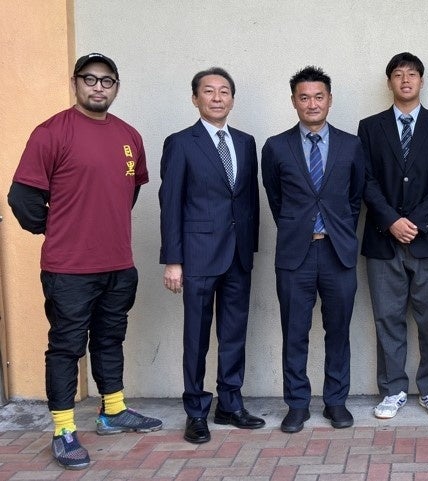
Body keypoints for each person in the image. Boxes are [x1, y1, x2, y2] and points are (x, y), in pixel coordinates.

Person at [7, 52, 162, 470]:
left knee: (110, 338)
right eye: (90, 79)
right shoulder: (51, 132)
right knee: (66, 347)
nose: (98, 87)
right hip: (69, 268)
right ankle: (63, 429)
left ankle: (113, 410)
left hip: (118, 264)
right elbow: (22, 198)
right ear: (75, 83)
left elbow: (129, 192)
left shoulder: (129, 136)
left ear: (116, 87)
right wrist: (59, 228)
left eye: (107, 80)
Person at [159, 67, 262, 444]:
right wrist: (173, 260)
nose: (217, 98)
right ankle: (196, 411)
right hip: (198, 255)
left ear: (232, 99)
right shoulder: (181, 143)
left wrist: (250, 246)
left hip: (237, 256)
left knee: (234, 333)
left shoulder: (246, 142)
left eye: (224, 92)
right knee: (197, 337)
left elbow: (249, 199)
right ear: (195, 98)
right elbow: (170, 203)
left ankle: (230, 404)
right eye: (209, 91)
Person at [262, 66, 365, 433]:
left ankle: (336, 401)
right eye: (304, 97)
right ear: (294, 102)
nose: (312, 104)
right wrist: (299, 228)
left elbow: (355, 198)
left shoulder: (351, 145)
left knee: (338, 331)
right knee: (295, 332)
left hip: (338, 252)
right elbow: (276, 198)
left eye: (318, 96)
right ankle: (297, 404)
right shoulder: (276, 146)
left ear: (329, 100)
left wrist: (337, 230)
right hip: (296, 254)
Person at [358, 52, 428, 419]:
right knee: (388, 318)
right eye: (398, 74)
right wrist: (391, 220)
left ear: (421, 81)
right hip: (383, 238)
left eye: (412, 74)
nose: (405, 80)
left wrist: (415, 221)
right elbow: (364, 178)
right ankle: (393, 389)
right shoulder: (370, 127)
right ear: (389, 82)